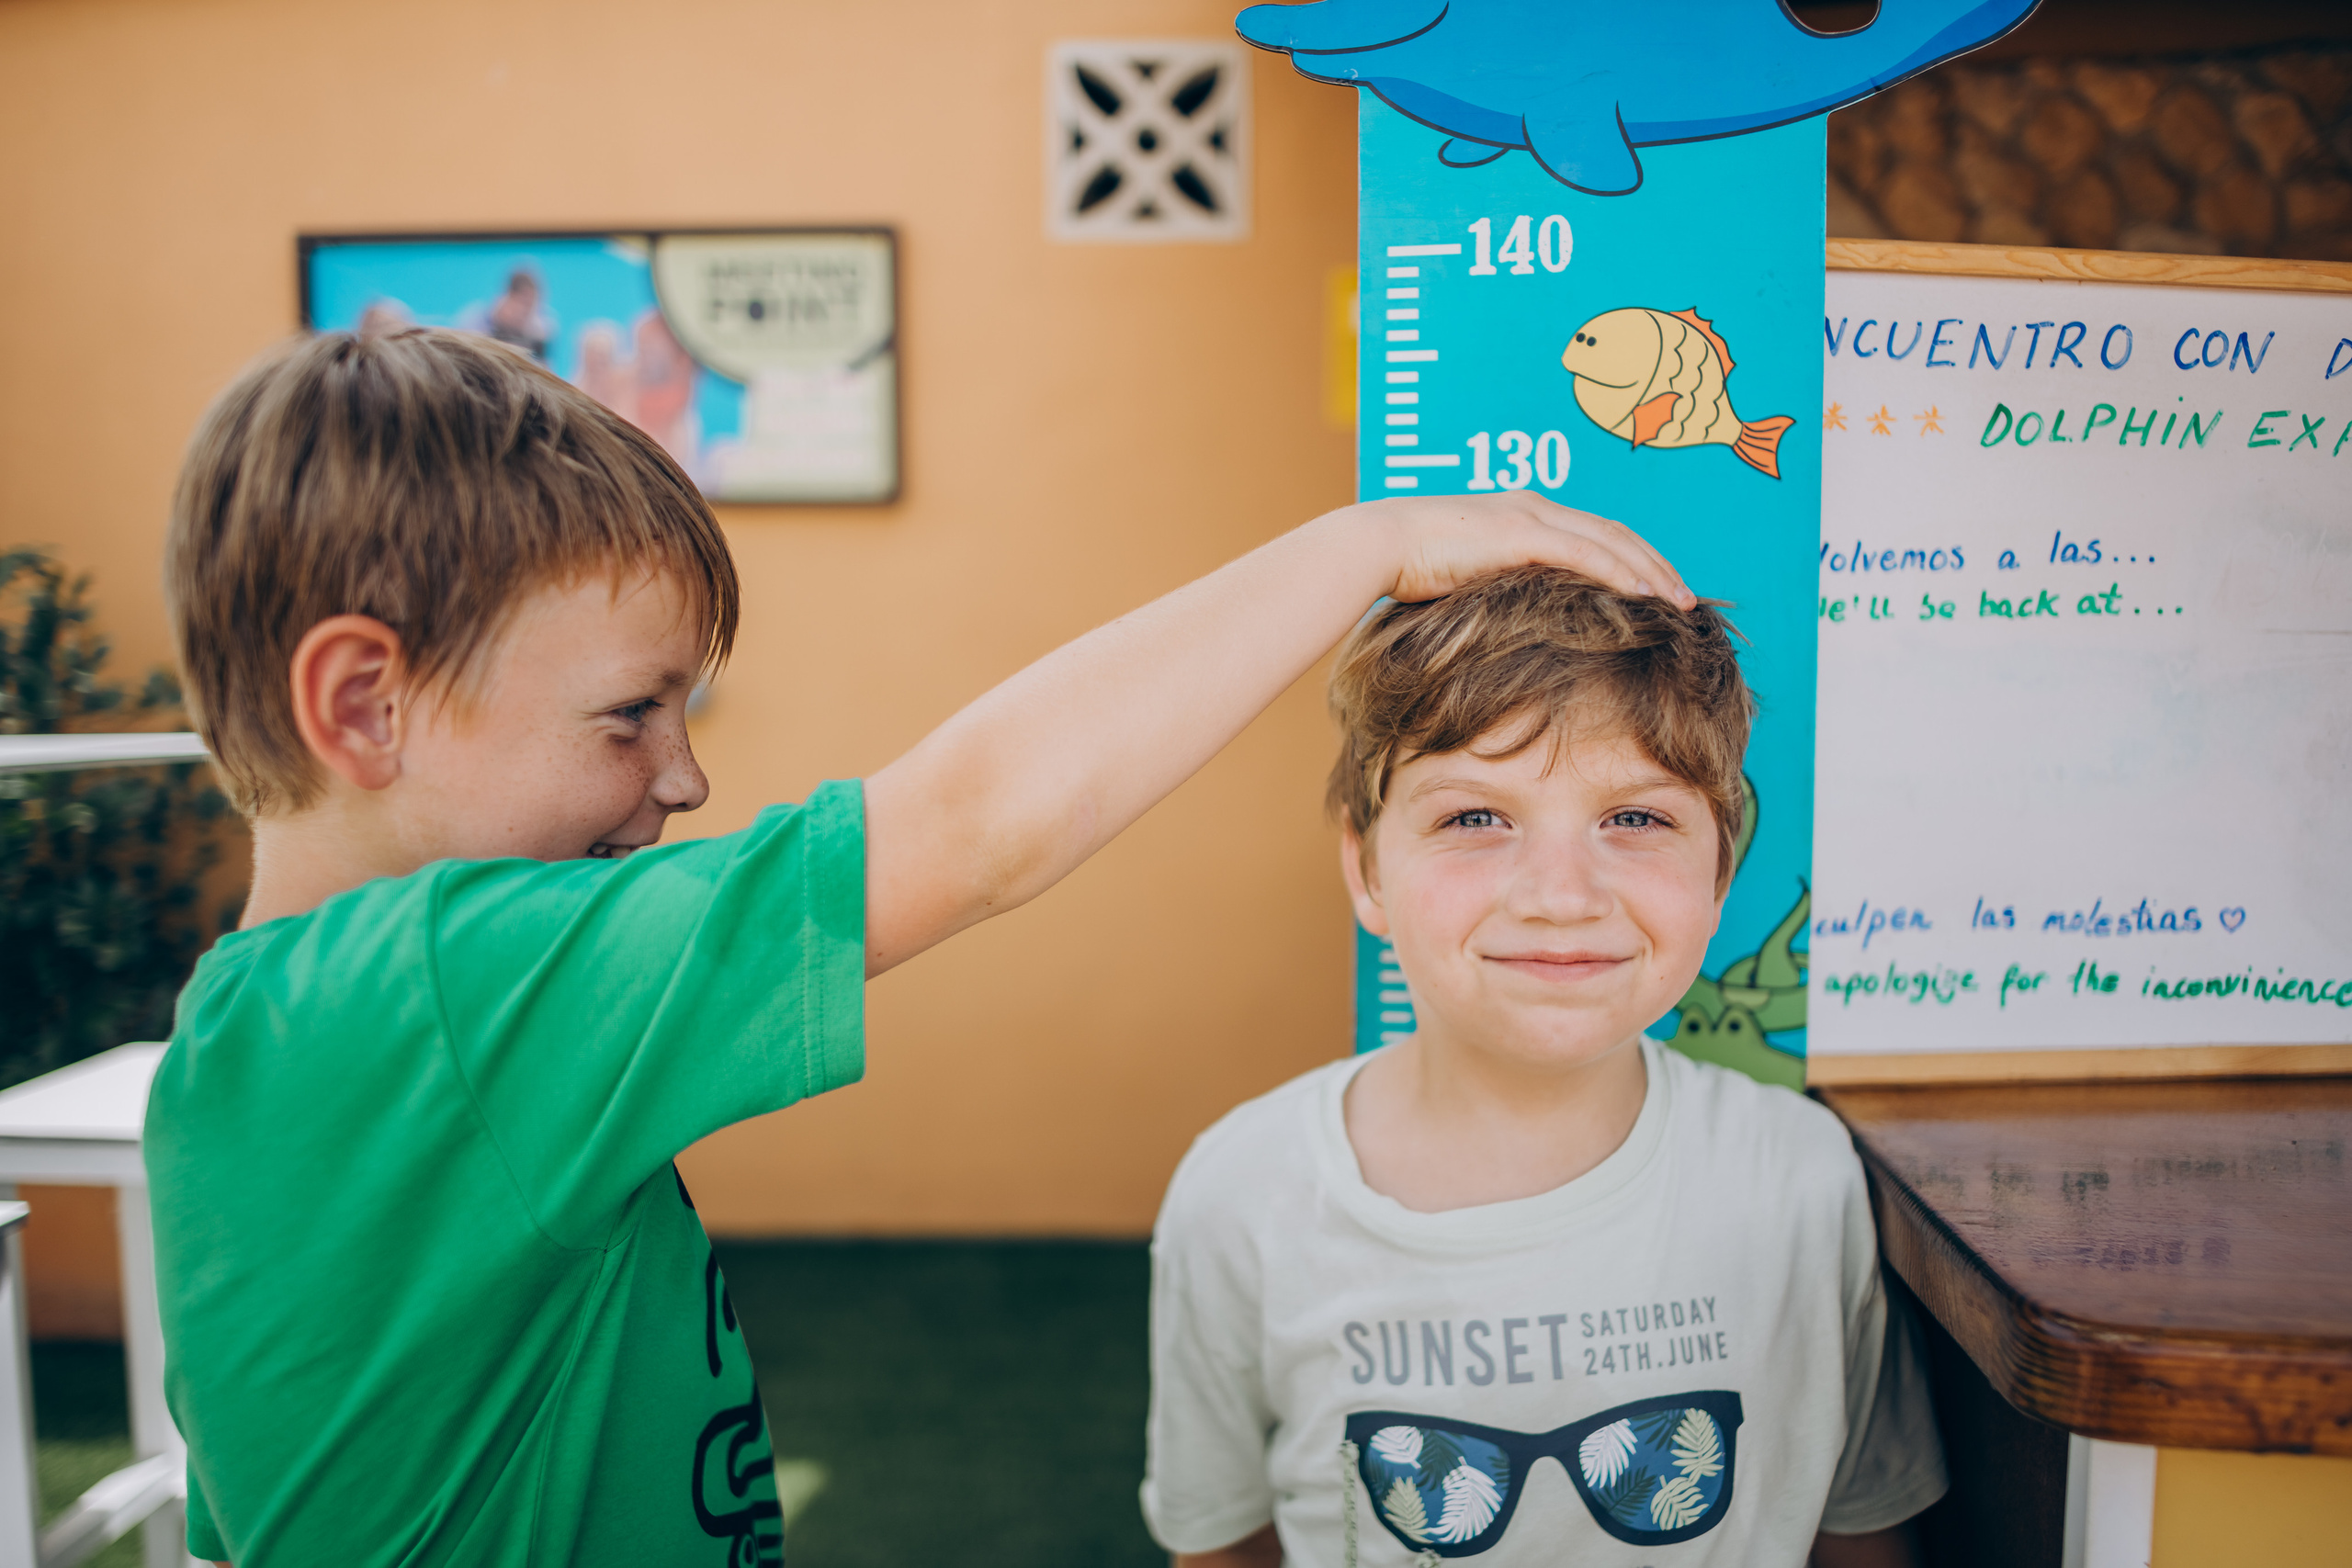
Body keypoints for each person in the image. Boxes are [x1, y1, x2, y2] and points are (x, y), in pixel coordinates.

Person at [146, 326, 1690, 1568]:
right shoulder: (438, 995)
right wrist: (1374, 542)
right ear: (363, 704)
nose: (682, 778)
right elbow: (969, 827)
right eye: (629, 714)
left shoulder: (269, 1039)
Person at [1140, 568, 1945, 1568]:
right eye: (1475, 818)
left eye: (1636, 819)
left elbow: (1859, 1532)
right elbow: (1222, 1544)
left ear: (1720, 872)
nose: (1560, 897)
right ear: (1367, 871)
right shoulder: (1241, 1190)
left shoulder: (1803, 1177)